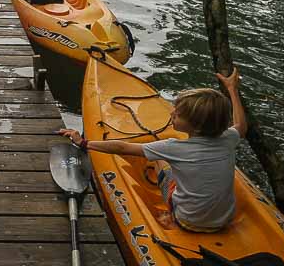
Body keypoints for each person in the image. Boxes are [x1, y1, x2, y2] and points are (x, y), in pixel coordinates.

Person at [59, 67, 247, 232]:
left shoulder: (172, 147)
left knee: (159, 161)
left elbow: (122, 147)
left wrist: (84, 143)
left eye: (178, 114)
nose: (172, 113)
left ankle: (171, 216)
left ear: (196, 128)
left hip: (188, 221)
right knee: (169, 161)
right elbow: (241, 125)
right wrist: (232, 90)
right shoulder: (229, 138)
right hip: (223, 221)